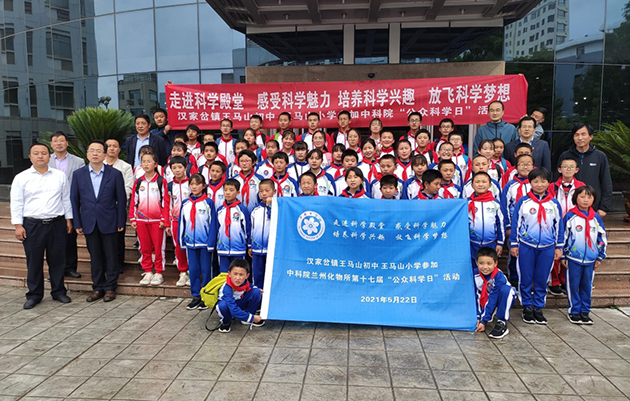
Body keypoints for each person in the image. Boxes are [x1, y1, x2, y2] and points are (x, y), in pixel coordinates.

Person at [11, 144, 73, 309]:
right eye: (36, 153)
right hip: (32, 225)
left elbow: (66, 199)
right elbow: (16, 203)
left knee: (58, 260)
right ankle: (34, 295)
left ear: (49, 156)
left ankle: (58, 291)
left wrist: (68, 220)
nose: (40, 156)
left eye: (44, 153)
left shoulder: (59, 176)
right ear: (30, 157)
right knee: (34, 261)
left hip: (56, 223)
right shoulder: (21, 178)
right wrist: (18, 225)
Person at [70, 140, 126, 302]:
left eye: (99, 151)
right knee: (95, 256)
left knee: (111, 256)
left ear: (105, 154)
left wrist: (121, 221)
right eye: (92, 150)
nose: (95, 153)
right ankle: (98, 287)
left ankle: (110, 288)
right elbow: (74, 199)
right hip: (89, 221)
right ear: (87, 154)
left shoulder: (115, 174)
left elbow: (121, 200)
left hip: (110, 220)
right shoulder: (78, 174)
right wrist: (77, 223)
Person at [510, 168, 564, 325]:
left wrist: (559, 246)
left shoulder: (554, 204)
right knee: (525, 277)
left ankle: (538, 307)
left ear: (548, 183)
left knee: (542, 278)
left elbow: (559, 226)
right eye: (536, 181)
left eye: (543, 181)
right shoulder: (523, 202)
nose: (539, 184)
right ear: (530, 183)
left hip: (547, 247)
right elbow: (516, 224)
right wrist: (514, 243)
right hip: (526, 246)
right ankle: (527, 307)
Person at [562, 185, 607, 325]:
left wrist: (600, 256)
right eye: (582, 197)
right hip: (573, 258)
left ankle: (585, 311)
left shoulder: (596, 218)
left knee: (587, 285)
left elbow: (602, 237)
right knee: (573, 285)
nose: (586, 200)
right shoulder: (570, 216)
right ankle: (574, 311)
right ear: (576, 198)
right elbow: (563, 237)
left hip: (590, 260)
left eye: (589, 197)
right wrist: (563, 255)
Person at [178, 173, 218, 310]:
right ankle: (195, 295)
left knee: (206, 270)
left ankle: (206, 295)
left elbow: (213, 224)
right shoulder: (185, 203)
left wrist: (211, 243)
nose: (194, 187)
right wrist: (182, 241)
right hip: (190, 243)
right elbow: (182, 223)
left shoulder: (208, 203)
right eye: (192, 184)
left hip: (205, 243)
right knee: (193, 269)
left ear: (204, 186)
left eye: (197, 184)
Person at [129, 153, 170, 286]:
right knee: (144, 247)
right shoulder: (138, 182)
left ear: (155, 164)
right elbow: (134, 201)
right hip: (141, 220)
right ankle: (147, 271)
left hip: (157, 221)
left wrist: (164, 218)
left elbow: (165, 201)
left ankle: (158, 272)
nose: (146, 164)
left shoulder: (161, 181)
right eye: (143, 162)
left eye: (149, 161)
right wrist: (133, 218)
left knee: (158, 248)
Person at [547, 156, 585, 295]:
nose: (568, 169)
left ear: (576, 170)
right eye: (565, 167)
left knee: (570, 252)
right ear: (559, 169)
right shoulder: (552, 186)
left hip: (574, 223)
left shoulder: (581, 186)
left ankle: (564, 280)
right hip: (556, 224)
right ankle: (554, 281)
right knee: (556, 253)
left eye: (571, 167)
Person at [49, 131, 85, 279]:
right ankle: (56, 270)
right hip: (51, 204)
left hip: (71, 203)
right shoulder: (46, 160)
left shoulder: (79, 161)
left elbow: (81, 183)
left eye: (61, 140)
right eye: (55, 141)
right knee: (53, 241)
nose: (59, 143)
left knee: (70, 238)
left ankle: (70, 268)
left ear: (67, 143)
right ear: (51, 144)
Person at [557, 123, 613, 216]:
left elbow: (606, 182)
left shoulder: (600, 156)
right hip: (569, 206)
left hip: (592, 207)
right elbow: (557, 180)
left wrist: (603, 207)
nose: (580, 138)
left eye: (583, 134)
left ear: (590, 136)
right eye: (576, 135)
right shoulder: (565, 155)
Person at [501, 154, 535, 286]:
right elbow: (504, 206)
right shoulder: (510, 186)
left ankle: (529, 281)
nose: (525, 167)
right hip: (514, 227)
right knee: (514, 254)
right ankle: (514, 279)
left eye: (528, 164)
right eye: (522, 164)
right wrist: (508, 226)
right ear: (516, 167)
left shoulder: (535, 184)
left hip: (532, 227)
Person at [105, 138, 134, 274]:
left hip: (117, 207)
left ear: (119, 149)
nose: (112, 148)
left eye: (115, 146)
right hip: (101, 208)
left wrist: (118, 200)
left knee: (118, 237)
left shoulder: (125, 167)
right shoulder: (98, 165)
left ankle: (118, 263)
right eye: (109, 146)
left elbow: (128, 187)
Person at [474, 247, 517, 339]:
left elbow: (493, 298)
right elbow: (475, 296)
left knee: (507, 290)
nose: (485, 267)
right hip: (485, 298)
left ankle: (502, 322)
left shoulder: (499, 277)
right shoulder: (474, 275)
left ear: (495, 263)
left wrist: (483, 321)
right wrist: (478, 317)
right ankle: (485, 313)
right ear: (476, 263)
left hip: (500, 299)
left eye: (489, 263)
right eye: (481, 263)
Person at [467, 172, 504, 272]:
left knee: (488, 269)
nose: (480, 184)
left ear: (490, 185)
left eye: (484, 182)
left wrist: (500, 243)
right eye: (477, 182)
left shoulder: (495, 203)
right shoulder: (467, 203)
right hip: (472, 244)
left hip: (490, 243)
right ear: (472, 185)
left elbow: (500, 224)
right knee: (473, 270)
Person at [216, 259, 264, 333]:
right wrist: (252, 318)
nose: (238, 278)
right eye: (235, 274)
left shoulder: (245, 282)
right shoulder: (227, 288)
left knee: (256, 291)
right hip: (229, 306)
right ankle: (226, 321)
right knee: (222, 306)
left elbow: (250, 286)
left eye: (241, 275)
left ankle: (247, 316)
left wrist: (258, 290)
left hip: (238, 303)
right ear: (229, 274)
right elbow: (233, 309)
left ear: (247, 276)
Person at [166, 156, 191, 287]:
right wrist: (167, 223)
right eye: (174, 168)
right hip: (175, 221)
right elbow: (167, 204)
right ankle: (182, 272)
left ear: (185, 168)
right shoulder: (170, 186)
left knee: (191, 247)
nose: (177, 170)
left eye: (180, 167)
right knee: (178, 247)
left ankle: (192, 272)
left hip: (191, 221)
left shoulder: (191, 183)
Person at [216, 179, 251, 273]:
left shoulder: (242, 209)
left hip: (238, 248)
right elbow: (217, 228)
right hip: (222, 248)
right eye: (225, 190)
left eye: (231, 190)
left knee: (239, 273)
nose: (228, 193)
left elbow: (247, 229)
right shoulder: (220, 210)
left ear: (238, 192)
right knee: (224, 274)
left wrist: (248, 244)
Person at [249, 179, 274, 288]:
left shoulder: (278, 208)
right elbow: (251, 228)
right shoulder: (255, 210)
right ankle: (258, 294)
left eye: (267, 191)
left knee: (270, 274)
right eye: (261, 191)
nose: (264, 194)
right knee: (257, 274)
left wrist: (270, 206)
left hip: (271, 248)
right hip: (257, 248)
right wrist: (250, 245)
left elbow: (272, 217)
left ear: (274, 191)